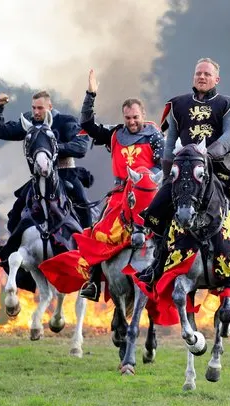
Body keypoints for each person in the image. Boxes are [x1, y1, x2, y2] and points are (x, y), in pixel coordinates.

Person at [137, 57, 230, 286]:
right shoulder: (177, 104)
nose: (202, 77)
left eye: (207, 74)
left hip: (217, 166)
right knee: (157, 208)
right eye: (198, 73)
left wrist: (208, 154)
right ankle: (157, 263)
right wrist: (166, 173)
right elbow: (171, 139)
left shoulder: (229, 104)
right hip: (182, 171)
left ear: (216, 79)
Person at [77, 69, 164, 301]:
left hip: (148, 194)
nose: (132, 122)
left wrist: (144, 179)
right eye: (128, 118)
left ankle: (169, 275)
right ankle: (93, 281)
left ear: (143, 114)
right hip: (120, 194)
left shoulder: (155, 136)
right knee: (98, 230)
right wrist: (91, 93)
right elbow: (86, 123)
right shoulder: (115, 134)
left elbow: (163, 165)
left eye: (135, 117)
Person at [0, 90, 93, 230]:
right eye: (34, 108)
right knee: (15, 216)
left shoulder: (66, 121)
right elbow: (0, 130)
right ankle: (10, 250)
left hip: (65, 174)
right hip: (38, 179)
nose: (36, 112)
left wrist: (52, 148)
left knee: (83, 207)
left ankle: (88, 245)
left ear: (50, 107)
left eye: (40, 108)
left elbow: (81, 146)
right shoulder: (28, 123)